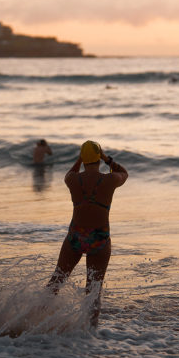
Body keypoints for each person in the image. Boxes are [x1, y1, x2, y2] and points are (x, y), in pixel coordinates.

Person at [47, 140, 128, 326]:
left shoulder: (72, 180)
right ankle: (89, 333)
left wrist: (78, 160)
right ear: (99, 159)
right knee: (93, 291)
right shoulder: (110, 180)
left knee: (55, 283)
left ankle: (34, 319)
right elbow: (124, 173)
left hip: (75, 236)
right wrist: (107, 159)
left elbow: (70, 173)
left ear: (83, 159)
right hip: (99, 238)